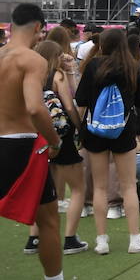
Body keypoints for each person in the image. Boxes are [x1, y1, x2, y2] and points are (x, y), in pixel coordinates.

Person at [0, 3, 94, 280]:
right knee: (48, 221)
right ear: (39, 26)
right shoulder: (33, 59)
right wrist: (53, 140)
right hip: (23, 146)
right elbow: (34, 107)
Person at [75, 27, 140, 255]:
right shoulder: (132, 67)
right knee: (129, 185)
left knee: (99, 186)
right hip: (123, 129)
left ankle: (101, 240)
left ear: (102, 44)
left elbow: (81, 101)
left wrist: (78, 129)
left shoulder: (92, 66)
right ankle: (134, 238)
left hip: (95, 130)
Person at [33, 36, 88, 252]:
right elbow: (69, 105)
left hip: (40, 134)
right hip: (61, 135)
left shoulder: (34, 76)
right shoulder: (58, 76)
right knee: (78, 188)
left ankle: (35, 238)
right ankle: (70, 238)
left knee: (47, 189)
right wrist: (80, 128)